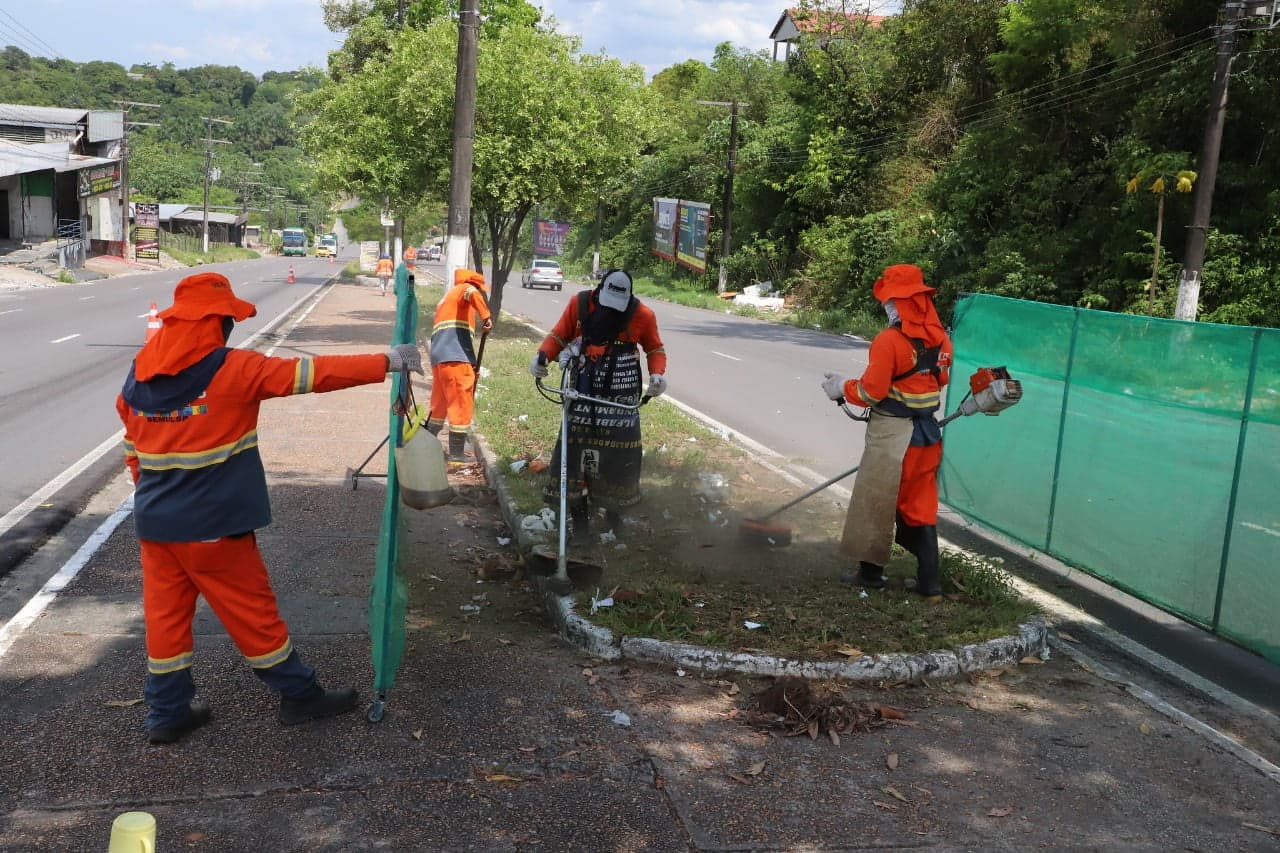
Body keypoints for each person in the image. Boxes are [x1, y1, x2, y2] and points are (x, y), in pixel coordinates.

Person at [116, 272, 423, 745]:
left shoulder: (137, 378)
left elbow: (133, 451)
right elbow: (314, 376)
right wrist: (389, 361)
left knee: (165, 621)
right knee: (254, 616)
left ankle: (165, 713)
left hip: (157, 526)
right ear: (215, 324)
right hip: (214, 528)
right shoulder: (234, 371)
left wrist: (159, 497)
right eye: (226, 321)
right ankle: (300, 695)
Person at [820, 264, 953, 597]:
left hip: (895, 437)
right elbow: (942, 379)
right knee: (919, 506)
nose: (885, 306)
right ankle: (929, 582)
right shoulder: (941, 338)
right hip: (928, 436)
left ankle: (870, 575)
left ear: (895, 303)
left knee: (876, 500)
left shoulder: (888, 341)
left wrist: (841, 387)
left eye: (887, 300)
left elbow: (870, 393)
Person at [528, 269, 666, 534]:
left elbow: (655, 348)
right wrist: (542, 356)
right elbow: (559, 335)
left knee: (620, 456)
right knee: (575, 454)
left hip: (621, 395)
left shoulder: (643, 315)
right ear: (599, 291)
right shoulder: (579, 304)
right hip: (583, 389)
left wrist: (658, 375)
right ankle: (580, 522)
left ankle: (614, 517)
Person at [426, 268, 493, 462]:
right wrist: (486, 316)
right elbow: (471, 293)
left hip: (441, 359)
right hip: (454, 357)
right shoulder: (465, 289)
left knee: (439, 404)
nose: (479, 292)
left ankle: (425, 444)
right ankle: (456, 453)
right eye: (480, 289)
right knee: (461, 403)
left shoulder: (447, 300)